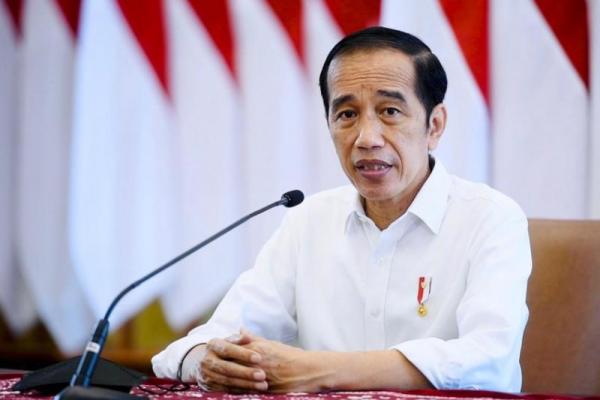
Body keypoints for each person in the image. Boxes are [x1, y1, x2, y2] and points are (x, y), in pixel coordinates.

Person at [152, 27, 532, 393]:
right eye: (347, 115)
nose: (367, 139)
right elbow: (206, 341)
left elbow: (487, 361)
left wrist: (316, 371)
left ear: (434, 126)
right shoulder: (308, 222)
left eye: (389, 111)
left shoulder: (490, 218)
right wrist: (205, 362)